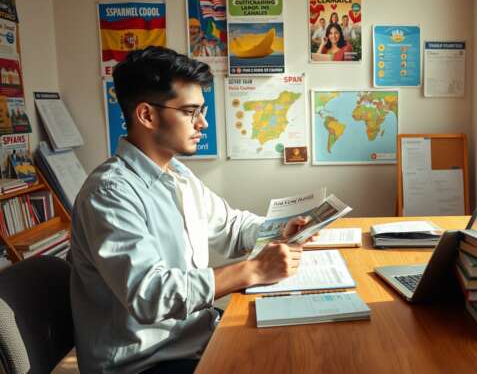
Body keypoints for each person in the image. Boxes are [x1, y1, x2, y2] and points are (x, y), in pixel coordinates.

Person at [69, 46, 313, 374]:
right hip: (147, 364)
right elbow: (149, 294)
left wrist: (281, 229)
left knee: (299, 347)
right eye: (190, 112)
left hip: (192, 339)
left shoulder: (178, 174)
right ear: (146, 115)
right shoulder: (109, 192)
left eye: (202, 111)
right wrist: (253, 270)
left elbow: (232, 228)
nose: (203, 123)